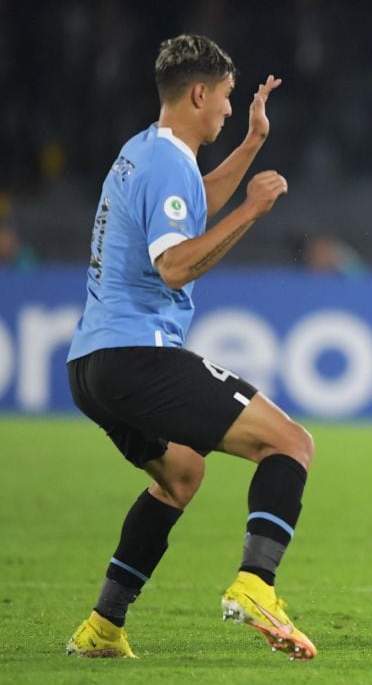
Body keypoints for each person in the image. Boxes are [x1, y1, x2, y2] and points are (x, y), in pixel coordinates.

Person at [65, 34, 316, 661]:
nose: (230, 111)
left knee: (181, 473)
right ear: (200, 93)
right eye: (228, 99)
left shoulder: (145, 152)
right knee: (290, 443)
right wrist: (254, 210)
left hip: (91, 365)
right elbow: (176, 265)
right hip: (137, 355)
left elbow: (191, 209)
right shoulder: (165, 161)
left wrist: (253, 143)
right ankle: (257, 585)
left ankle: (103, 625)